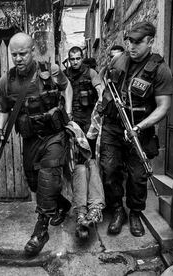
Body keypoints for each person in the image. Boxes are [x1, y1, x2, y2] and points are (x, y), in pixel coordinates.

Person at [0, 32, 73, 256]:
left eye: (22, 54)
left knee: (48, 177)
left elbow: (66, 87)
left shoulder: (50, 71)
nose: (18, 58)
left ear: (32, 51)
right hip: (30, 139)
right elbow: (3, 109)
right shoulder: (6, 82)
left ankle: (40, 231)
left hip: (54, 135)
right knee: (34, 182)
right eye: (14, 54)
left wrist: (68, 113)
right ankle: (62, 204)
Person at [100, 22, 173, 237]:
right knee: (109, 169)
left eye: (138, 42)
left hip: (139, 129)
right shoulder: (118, 60)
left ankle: (134, 213)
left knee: (137, 175)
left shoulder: (160, 70)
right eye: (129, 41)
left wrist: (139, 126)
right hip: (113, 126)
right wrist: (101, 93)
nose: (131, 46)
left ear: (150, 42)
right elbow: (102, 77)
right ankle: (117, 210)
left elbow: (163, 107)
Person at [64, 46, 106, 239]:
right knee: (78, 166)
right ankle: (81, 211)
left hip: (90, 124)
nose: (75, 62)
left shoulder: (90, 72)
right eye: (72, 58)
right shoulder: (65, 75)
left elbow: (100, 90)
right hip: (72, 125)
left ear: (82, 58)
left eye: (78, 58)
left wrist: (101, 108)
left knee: (92, 162)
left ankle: (94, 207)